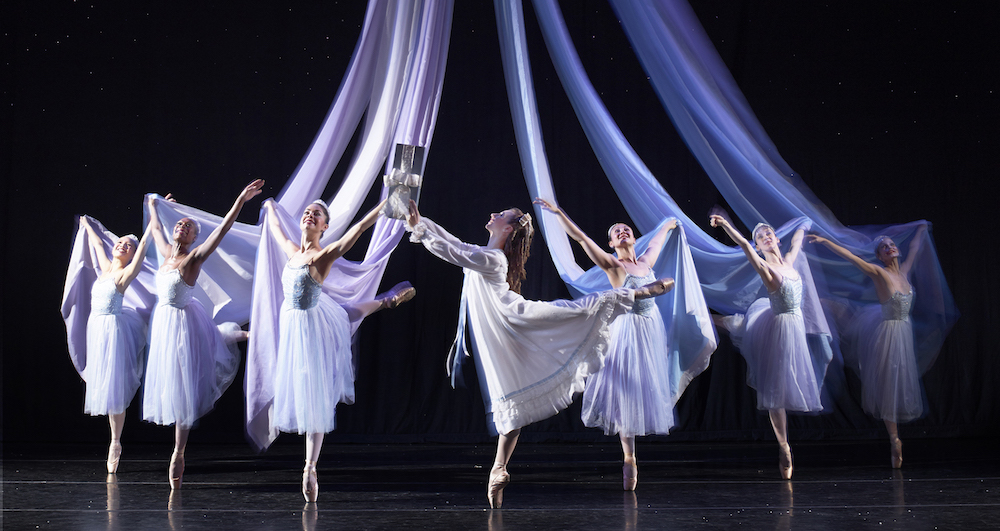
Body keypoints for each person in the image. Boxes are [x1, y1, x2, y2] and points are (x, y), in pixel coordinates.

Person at [406, 200, 672, 508]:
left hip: (514, 321)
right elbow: (455, 244)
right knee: (511, 391)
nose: (492, 214)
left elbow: (454, 252)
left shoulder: (492, 258)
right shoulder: (488, 255)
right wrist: (420, 221)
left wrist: (418, 227)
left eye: (500, 214)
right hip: (502, 330)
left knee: (571, 313)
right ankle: (498, 467)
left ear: (507, 227)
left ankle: (636, 293)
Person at [259, 198, 415, 502]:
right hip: (299, 322)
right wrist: (268, 209)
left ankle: (310, 467)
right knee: (344, 314)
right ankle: (386, 301)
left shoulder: (323, 255)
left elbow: (355, 231)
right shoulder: (293, 252)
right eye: (307, 212)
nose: (310, 215)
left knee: (316, 393)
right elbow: (276, 231)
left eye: (317, 214)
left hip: (312, 327)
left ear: (324, 227)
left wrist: (383, 206)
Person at [534, 198, 676, 491]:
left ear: (634, 237)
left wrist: (670, 224)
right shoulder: (614, 265)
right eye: (616, 232)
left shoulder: (646, 263)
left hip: (650, 330)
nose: (623, 232)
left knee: (644, 387)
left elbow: (658, 241)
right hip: (626, 331)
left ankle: (632, 455)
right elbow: (582, 239)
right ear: (611, 244)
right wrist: (560, 213)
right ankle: (629, 457)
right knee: (625, 391)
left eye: (626, 229)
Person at [143, 180, 263, 489]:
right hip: (166, 323)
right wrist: (154, 207)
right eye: (180, 224)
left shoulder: (193, 259)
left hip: (184, 324)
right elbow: (156, 230)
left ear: (195, 236)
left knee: (184, 385)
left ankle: (178, 452)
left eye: (188, 227)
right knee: (212, 342)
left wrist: (240, 199)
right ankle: (242, 335)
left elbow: (222, 230)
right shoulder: (166, 253)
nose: (181, 227)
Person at [709, 211, 820, 480]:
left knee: (783, 382)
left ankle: (706, 318)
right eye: (761, 236)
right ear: (759, 246)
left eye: (769, 233)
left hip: (792, 326)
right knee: (773, 390)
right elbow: (745, 246)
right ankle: (783, 446)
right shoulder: (765, 267)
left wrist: (805, 224)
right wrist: (726, 225)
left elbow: (796, 242)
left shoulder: (791, 262)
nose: (766, 236)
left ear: (776, 240)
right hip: (776, 328)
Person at [808, 226, 926, 468]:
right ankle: (894, 440)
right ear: (880, 256)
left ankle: (895, 438)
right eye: (884, 247)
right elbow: (852, 258)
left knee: (900, 384)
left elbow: (914, 249)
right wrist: (826, 242)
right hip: (887, 335)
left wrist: (922, 229)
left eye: (892, 245)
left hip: (903, 333)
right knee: (887, 387)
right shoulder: (878, 273)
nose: (890, 247)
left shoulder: (904, 272)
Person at [76, 216, 153, 473]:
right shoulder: (105, 267)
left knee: (115, 388)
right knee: (105, 388)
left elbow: (142, 252)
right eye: (120, 242)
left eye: (127, 245)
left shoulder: (124, 274)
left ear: (130, 254)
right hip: (96, 330)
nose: (122, 245)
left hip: (114, 333)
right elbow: (97, 243)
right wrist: (86, 224)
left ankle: (115, 442)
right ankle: (114, 440)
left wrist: (153, 221)